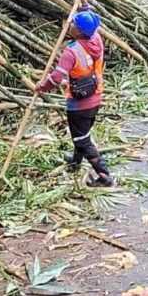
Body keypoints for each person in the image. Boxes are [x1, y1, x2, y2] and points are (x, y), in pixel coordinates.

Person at [36, 10, 115, 187]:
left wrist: (41, 87)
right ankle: (75, 161)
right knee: (81, 134)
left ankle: (104, 176)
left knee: (82, 139)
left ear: (78, 31)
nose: (69, 25)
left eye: (73, 23)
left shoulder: (71, 52)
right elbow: (90, 22)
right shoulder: (96, 40)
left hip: (79, 103)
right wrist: (84, 4)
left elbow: (56, 77)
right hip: (95, 96)